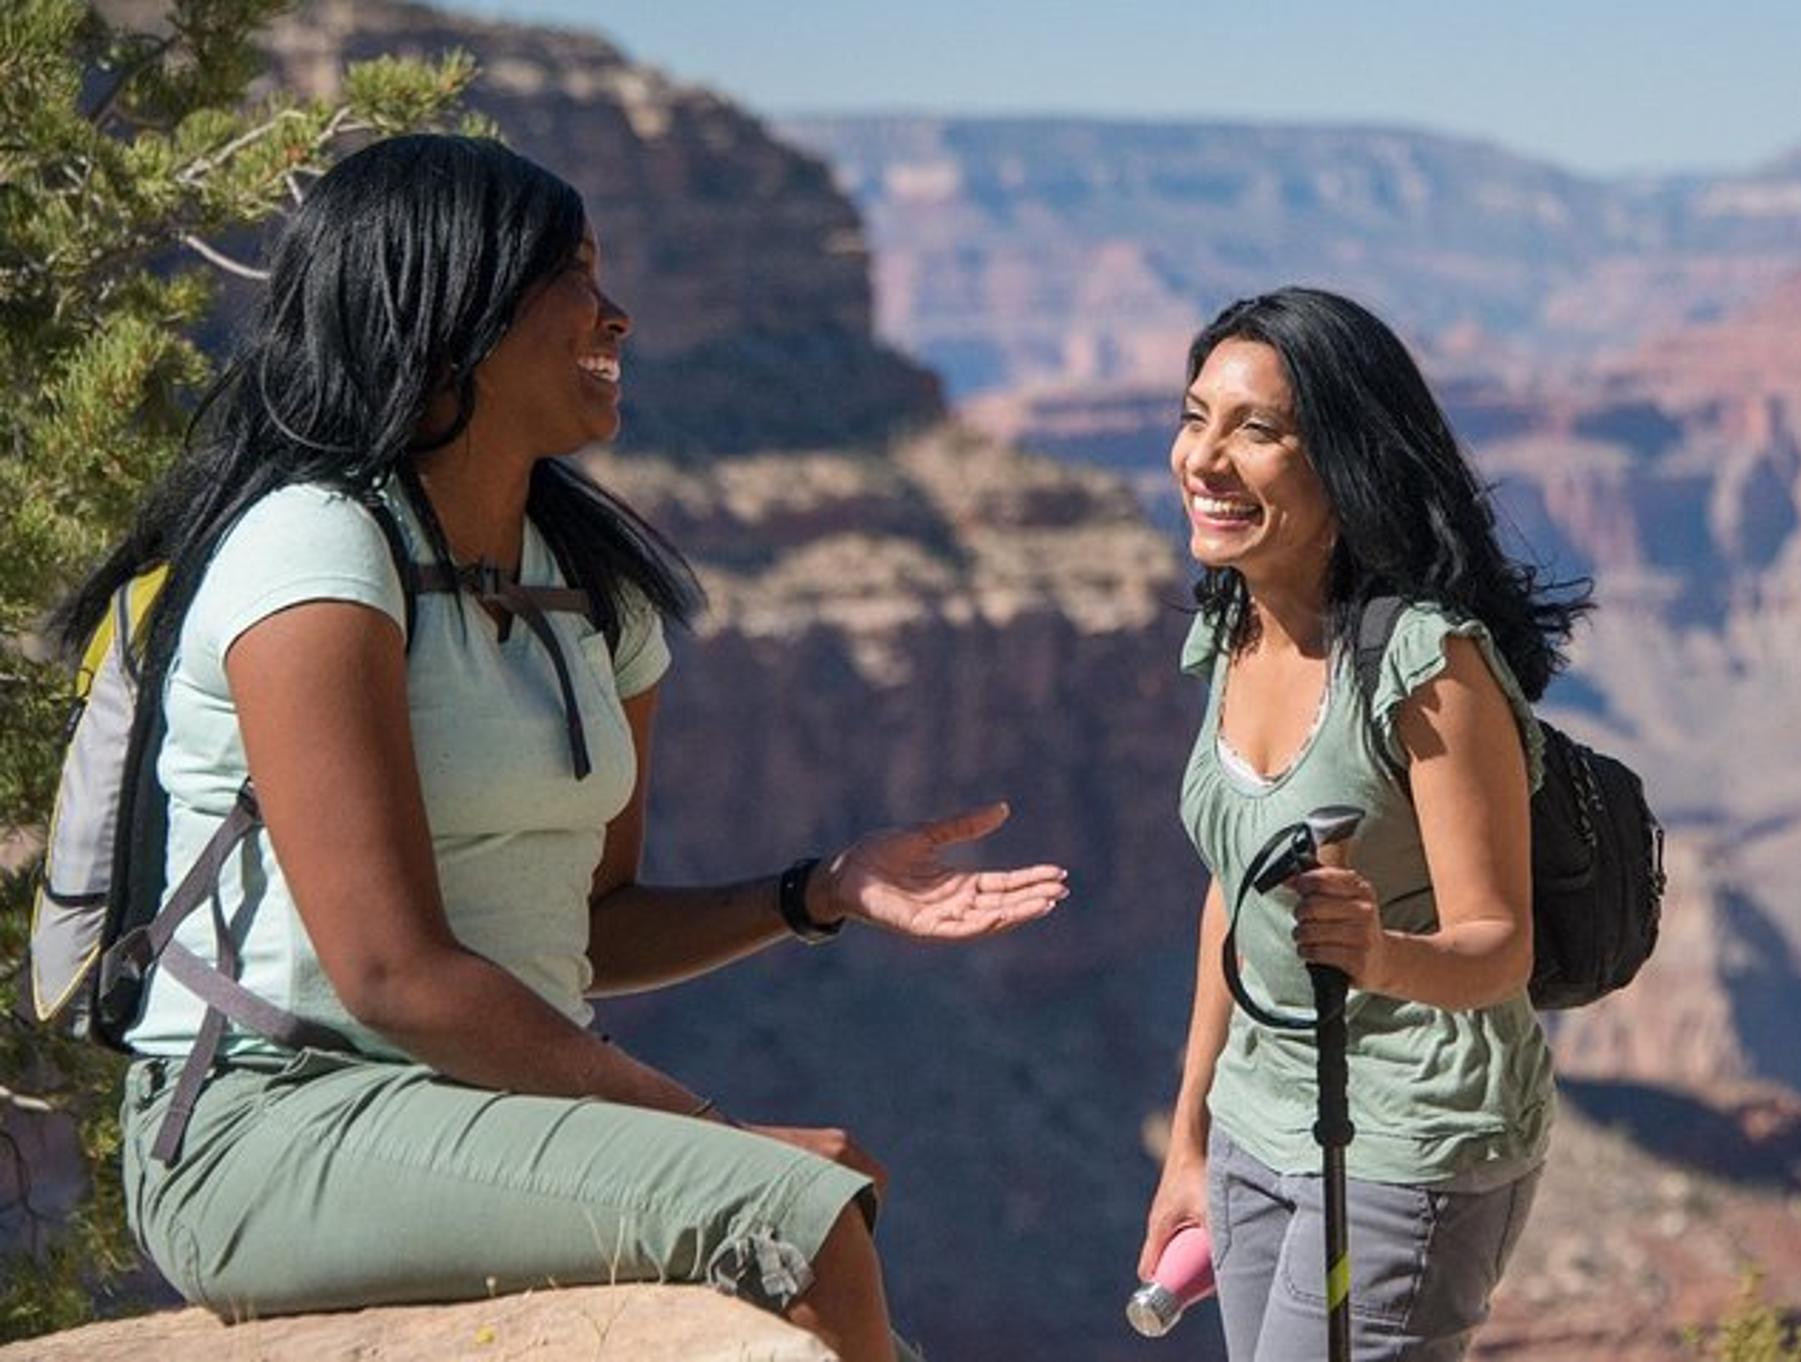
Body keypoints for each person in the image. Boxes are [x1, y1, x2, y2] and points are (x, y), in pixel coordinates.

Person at [58, 134, 1067, 1362]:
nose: (619, 314)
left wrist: (819, 891)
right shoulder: (311, 552)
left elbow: (590, 922)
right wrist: (709, 1131)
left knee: (809, 1215)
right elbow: (389, 974)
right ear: (456, 317)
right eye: (574, 278)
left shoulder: (591, 591)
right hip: (268, 1122)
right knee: (788, 1217)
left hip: (469, 1104)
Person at [1134, 287, 1589, 1361]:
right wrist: (1186, 1141)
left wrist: (1375, 953)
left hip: (1408, 1134)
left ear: (1344, 460)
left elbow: (1498, 946)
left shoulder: (1428, 665)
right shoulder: (1232, 628)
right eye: (1194, 416)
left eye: (1256, 430)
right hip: (1255, 1119)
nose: (1203, 458)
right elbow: (1230, 895)